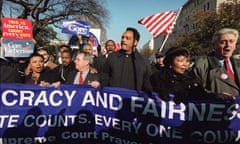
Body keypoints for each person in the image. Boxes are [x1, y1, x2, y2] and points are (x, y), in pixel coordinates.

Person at [191, 28, 240, 98]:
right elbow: (195, 91)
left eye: (231, 41)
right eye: (223, 42)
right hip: (218, 107)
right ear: (214, 45)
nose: (228, 45)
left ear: (235, 45)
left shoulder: (238, 63)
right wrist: (214, 96)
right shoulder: (202, 65)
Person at [101, 27, 152, 93]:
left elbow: (147, 83)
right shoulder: (112, 57)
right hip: (113, 99)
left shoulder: (144, 62)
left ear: (135, 42)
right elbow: (104, 76)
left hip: (133, 101)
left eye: (127, 38)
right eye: (122, 37)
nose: (123, 40)